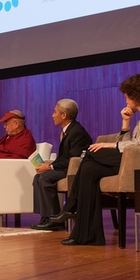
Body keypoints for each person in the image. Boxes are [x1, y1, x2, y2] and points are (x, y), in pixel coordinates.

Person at [57, 74, 140, 245]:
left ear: (136, 95)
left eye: (127, 96)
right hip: (136, 158)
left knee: (91, 153)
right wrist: (126, 122)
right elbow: (130, 144)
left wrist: (111, 145)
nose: (126, 100)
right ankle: (87, 236)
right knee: (89, 169)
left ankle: (71, 207)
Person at [31, 99, 93, 231]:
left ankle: (54, 219)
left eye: (55, 112)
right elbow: (63, 158)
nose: (53, 115)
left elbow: (73, 159)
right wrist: (49, 164)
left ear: (64, 115)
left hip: (75, 170)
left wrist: (49, 167)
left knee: (45, 177)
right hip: (65, 167)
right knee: (38, 177)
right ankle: (46, 217)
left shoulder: (77, 132)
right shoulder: (67, 131)